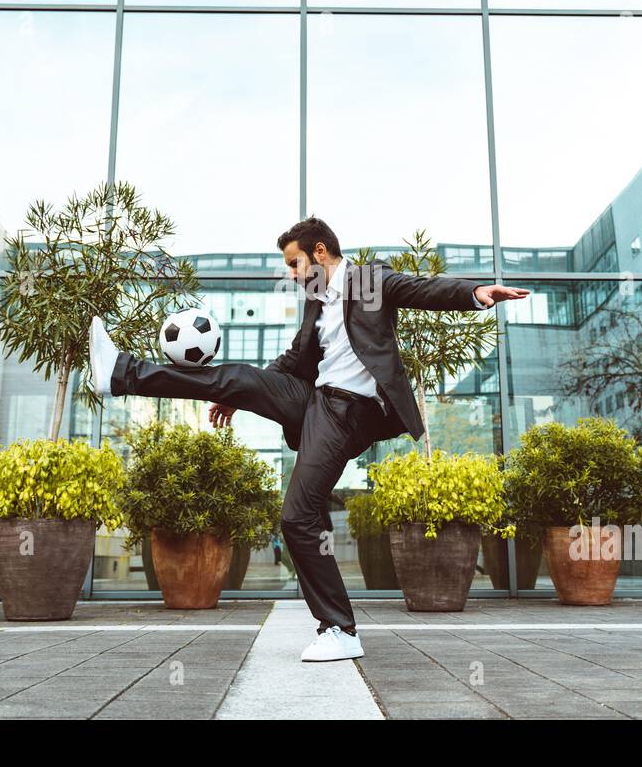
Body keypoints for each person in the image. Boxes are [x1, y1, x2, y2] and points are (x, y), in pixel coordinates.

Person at [88, 216, 529, 662]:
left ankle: (340, 629)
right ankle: (119, 373)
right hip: (315, 401)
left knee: (297, 518)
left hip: (349, 412)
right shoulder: (317, 301)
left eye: (295, 263)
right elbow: (299, 357)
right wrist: (240, 395)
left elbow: (421, 289)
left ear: (320, 252)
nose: (293, 274)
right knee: (238, 377)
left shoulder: (369, 280)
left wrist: (474, 294)